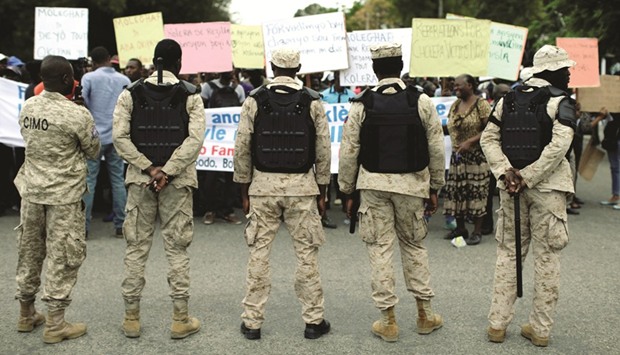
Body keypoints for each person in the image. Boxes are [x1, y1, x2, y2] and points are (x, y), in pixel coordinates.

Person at [339, 43, 445, 342]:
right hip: (412, 185)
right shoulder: (421, 100)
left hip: (373, 187)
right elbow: (436, 146)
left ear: (375, 70)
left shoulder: (362, 104)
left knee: (380, 250)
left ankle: (388, 321)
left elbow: (349, 151)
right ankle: (425, 315)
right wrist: (435, 186)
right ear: (401, 66)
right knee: (414, 248)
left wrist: (347, 190)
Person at [481, 44, 577, 347]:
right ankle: (540, 330)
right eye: (565, 69)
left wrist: (506, 172)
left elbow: (489, 138)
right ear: (552, 72)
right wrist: (529, 176)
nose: (570, 73)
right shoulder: (560, 101)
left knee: (508, 254)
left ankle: (497, 325)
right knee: (547, 258)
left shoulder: (507, 99)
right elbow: (559, 146)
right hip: (547, 190)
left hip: (510, 188)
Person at [233, 47, 331, 340]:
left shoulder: (254, 100)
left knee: (259, 255)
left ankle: (252, 322)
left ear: (272, 68)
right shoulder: (313, 101)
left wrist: (244, 188)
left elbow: (242, 147)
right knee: (306, 256)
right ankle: (314, 321)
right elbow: (324, 150)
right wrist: (323, 190)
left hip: (263, 187)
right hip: (302, 189)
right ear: (298, 68)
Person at [112, 39, 205, 339]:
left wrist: (149, 168)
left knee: (136, 248)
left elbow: (120, 138)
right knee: (177, 249)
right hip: (176, 183)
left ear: (154, 61)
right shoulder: (191, 95)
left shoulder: (130, 93)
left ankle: (130, 319)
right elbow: (194, 141)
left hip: (141, 181)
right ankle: (180, 320)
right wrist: (167, 170)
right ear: (179, 62)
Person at [14, 55, 100, 343]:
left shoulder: (28, 106)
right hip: (64, 196)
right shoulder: (77, 114)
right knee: (62, 255)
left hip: (31, 192)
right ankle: (55, 324)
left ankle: (27, 314)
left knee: (30, 251)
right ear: (66, 80)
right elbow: (93, 150)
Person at [81, 46, 130, 238]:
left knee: (89, 181)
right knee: (118, 180)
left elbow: (82, 102)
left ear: (93, 61)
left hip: (95, 136)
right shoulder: (124, 80)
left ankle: (83, 227)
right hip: (117, 135)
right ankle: (121, 225)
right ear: (109, 58)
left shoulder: (89, 78)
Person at [443, 74, 492, 245]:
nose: (455, 88)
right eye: (454, 85)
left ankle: (477, 231)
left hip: (476, 158)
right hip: (458, 158)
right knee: (457, 193)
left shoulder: (481, 105)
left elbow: (490, 129)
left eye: (459, 85)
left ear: (470, 85)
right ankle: (461, 228)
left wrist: (470, 141)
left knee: (477, 193)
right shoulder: (456, 105)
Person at [197, 71, 243, 225]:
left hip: (231, 139)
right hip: (212, 139)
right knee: (211, 177)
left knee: (231, 177)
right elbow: (201, 109)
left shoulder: (239, 89)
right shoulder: (207, 88)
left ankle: (227, 210)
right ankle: (210, 210)